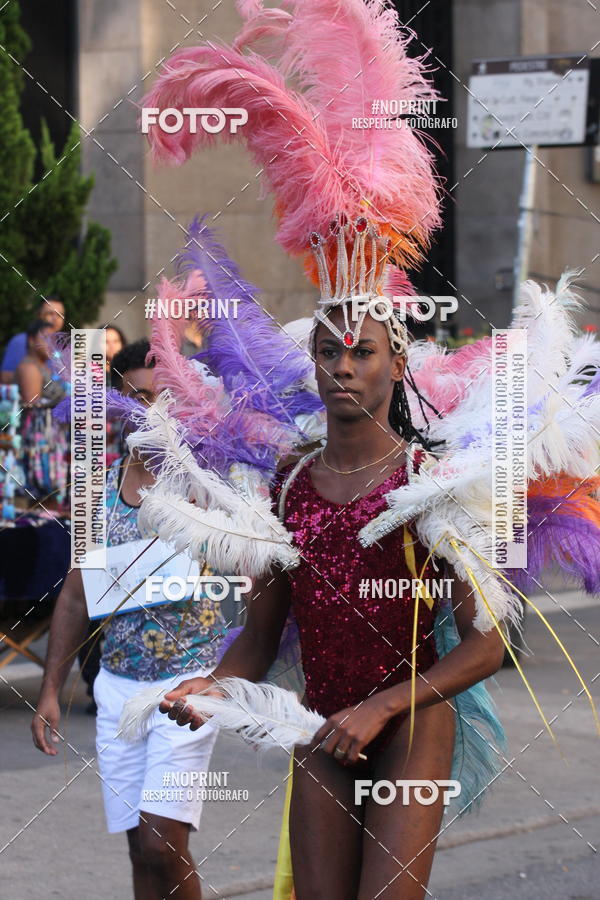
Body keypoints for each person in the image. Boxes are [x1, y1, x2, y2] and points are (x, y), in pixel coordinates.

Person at [159, 303, 505, 899]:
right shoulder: (287, 485)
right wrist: (217, 686)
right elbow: (261, 635)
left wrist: (383, 707)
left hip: (411, 725)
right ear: (314, 366)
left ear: (398, 365)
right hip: (319, 723)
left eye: (362, 352)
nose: (343, 367)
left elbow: (487, 643)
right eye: (328, 353)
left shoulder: (431, 482)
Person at [32, 339, 228, 900]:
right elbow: (75, 597)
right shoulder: (99, 488)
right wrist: (51, 689)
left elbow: (258, 576)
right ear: (118, 400)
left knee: (161, 844)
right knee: (139, 851)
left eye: (165, 399)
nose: (150, 413)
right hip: (115, 688)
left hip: (187, 688)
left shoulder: (207, 484)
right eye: (137, 397)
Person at [1, 296, 65, 384]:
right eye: (50, 313)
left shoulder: (61, 347)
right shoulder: (21, 341)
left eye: (60, 315)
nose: (55, 319)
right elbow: (5, 377)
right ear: (38, 315)